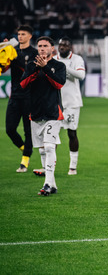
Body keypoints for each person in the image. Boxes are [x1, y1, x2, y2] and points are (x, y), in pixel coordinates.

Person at [20, 37, 66, 195]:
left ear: (52, 48)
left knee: (49, 146)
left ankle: (46, 183)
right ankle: (52, 185)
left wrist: (45, 68)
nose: (42, 48)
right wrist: (36, 68)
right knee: (41, 150)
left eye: (45, 46)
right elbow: (23, 84)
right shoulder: (31, 65)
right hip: (36, 113)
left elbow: (59, 83)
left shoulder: (59, 66)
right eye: (39, 46)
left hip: (53, 113)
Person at [4, 25, 37, 172]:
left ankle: (25, 160)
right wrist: (4, 50)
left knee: (28, 130)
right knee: (10, 129)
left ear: (30, 36)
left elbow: (30, 72)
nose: (20, 36)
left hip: (29, 96)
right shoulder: (13, 51)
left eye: (23, 34)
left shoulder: (34, 53)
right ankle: (25, 148)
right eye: (18, 34)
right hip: (15, 95)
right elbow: (3, 67)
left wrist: (15, 58)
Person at [53, 37, 85, 176]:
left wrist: (65, 68)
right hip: (55, 102)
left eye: (65, 45)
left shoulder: (77, 59)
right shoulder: (53, 59)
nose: (62, 47)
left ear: (70, 47)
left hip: (72, 102)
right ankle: (50, 165)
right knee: (52, 135)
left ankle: (73, 166)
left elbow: (81, 75)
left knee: (71, 133)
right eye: (60, 45)